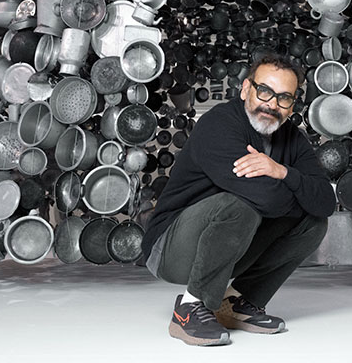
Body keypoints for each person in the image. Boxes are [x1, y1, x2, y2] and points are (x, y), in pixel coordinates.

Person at [141, 52, 336, 346]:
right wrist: (293, 190)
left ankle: (239, 304)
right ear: (246, 89)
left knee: (312, 223)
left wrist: (283, 172)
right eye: (265, 91)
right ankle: (190, 308)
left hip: (231, 245)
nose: (271, 104)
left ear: (292, 104)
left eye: (283, 97)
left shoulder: (292, 138)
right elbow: (264, 199)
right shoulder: (218, 125)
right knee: (241, 206)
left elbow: (324, 204)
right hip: (169, 250)